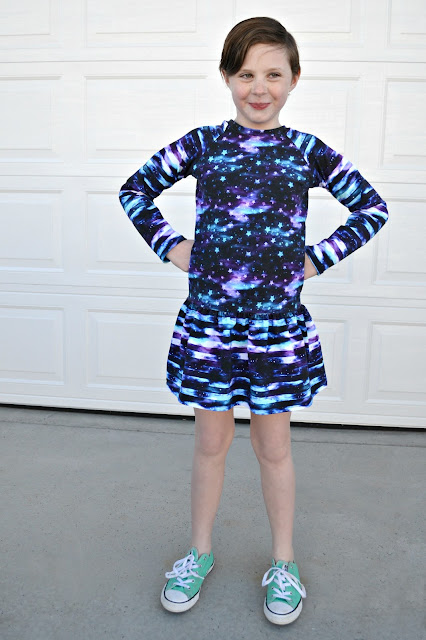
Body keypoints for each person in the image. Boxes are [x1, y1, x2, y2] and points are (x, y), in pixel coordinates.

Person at [119, 16, 388, 626]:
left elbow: (371, 208)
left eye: (272, 74)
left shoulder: (306, 151)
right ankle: (199, 552)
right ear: (226, 77)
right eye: (245, 74)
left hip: (276, 331)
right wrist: (172, 246)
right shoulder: (203, 144)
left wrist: (316, 259)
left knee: (273, 447)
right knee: (210, 443)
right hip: (211, 326)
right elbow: (135, 190)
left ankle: (284, 562)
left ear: (294, 79)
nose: (258, 88)